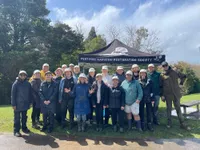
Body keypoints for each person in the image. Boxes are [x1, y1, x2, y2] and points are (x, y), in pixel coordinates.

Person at [160, 62, 190, 130]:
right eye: (163, 66)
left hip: (176, 94)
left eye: (166, 65)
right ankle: (169, 123)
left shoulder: (175, 71)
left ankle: (182, 123)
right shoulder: (162, 75)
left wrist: (181, 83)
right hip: (167, 95)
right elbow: (161, 86)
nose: (165, 67)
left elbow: (184, 76)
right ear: (162, 67)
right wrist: (162, 95)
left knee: (178, 109)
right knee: (169, 109)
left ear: (168, 65)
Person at [11, 70, 32, 137]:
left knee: (24, 117)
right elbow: (13, 95)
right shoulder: (15, 83)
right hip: (17, 104)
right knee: (17, 118)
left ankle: (24, 128)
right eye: (21, 75)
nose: (23, 76)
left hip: (25, 104)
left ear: (26, 76)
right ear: (19, 75)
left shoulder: (28, 84)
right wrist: (13, 104)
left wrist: (30, 102)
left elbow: (30, 94)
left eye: (24, 75)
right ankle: (16, 131)